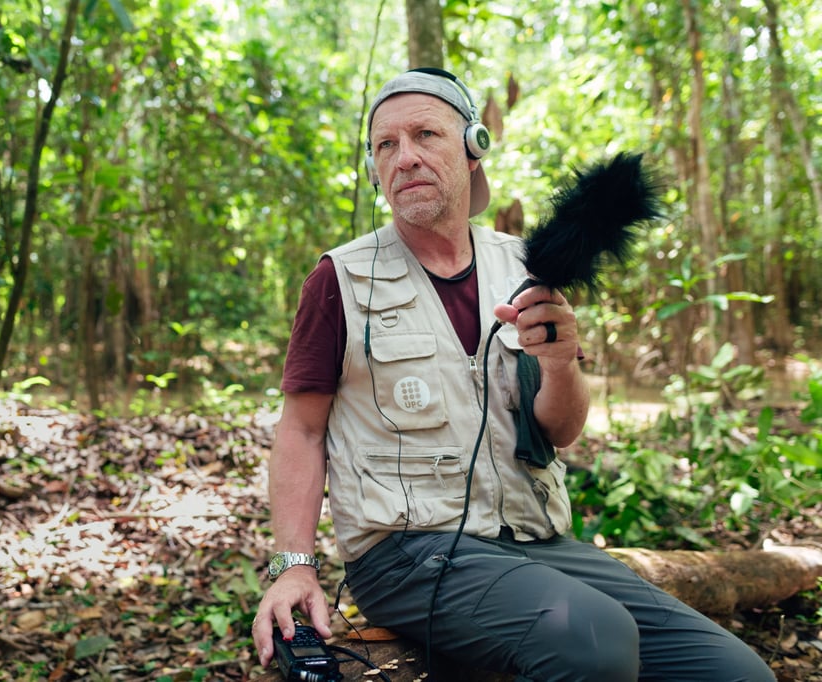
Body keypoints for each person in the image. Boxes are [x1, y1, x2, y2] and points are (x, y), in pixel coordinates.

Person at [251, 68, 774, 681]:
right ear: (373, 168)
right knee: (594, 641)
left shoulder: (522, 265)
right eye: (385, 145)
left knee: (735, 673)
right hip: (409, 553)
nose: (406, 157)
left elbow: (561, 430)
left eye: (426, 135)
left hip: (536, 542)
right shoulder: (340, 281)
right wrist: (293, 564)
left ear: (474, 148)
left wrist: (558, 363)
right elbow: (302, 431)